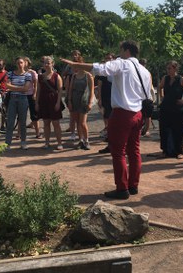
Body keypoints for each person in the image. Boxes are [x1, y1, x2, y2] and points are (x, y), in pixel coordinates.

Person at [60, 40, 152, 200]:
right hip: (138, 114)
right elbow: (146, 95)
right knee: (134, 151)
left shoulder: (122, 64)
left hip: (122, 114)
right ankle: (133, 186)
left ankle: (122, 188)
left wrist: (77, 64)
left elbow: (101, 69)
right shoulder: (144, 71)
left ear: (126, 51)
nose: (118, 53)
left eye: (120, 50)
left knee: (118, 152)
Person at [158, 61, 183, 159]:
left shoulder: (181, 79)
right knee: (164, 129)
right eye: (167, 68)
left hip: (177, 108)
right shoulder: (165, 78)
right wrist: (162, 97)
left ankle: (179, 151)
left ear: (175, 69)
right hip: (165, 107)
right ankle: (165, 150)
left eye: (170, 68)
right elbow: (160, 87)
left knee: (178, 130)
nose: (168, 70)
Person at [36, 56, 63, 150]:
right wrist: (37, 103)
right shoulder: (40, 77)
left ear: (52, 64)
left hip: (53, 100)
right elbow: (38, 91)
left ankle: (59, 143)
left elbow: (60, 91)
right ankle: (47, 142)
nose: (46, 65)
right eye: (45, 63)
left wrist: (58, 103)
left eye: (48, 63)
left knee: (56, 123)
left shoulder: (57, 76)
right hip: (43, 100)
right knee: (46, 122)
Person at [5, 57, 32, 150]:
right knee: (10, 122)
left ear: (24, 63)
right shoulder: (10, 74)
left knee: (23, 122)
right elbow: (7, 85)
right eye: (18, 63)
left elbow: (26, 88)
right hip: (12, 99)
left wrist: (13, 87)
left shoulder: (28, 75)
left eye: (21, 63)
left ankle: (23, 142)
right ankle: (7, 143)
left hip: (23, 99)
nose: (20, 65)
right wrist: (20, 88)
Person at [67, 57, 94, 150]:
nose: (74, 67)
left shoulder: (88, 76)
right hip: (74, 100)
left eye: (76, 64)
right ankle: (80, 140)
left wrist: (90, 102)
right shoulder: (74, 76)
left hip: (84, 100)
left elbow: (91, 91)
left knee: (82, 122)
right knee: (77, 121)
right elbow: (70, 89)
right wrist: (69, 101)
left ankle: (86, 140)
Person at [97, 53, 115, 154]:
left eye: (110, 58)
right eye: (106, 58)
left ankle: (112, 139)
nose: (108, 60)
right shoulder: (103, 71)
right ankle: (109, 136)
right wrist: (99, 98)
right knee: (107, 116)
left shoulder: (116, 70)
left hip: (115, 98)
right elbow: (99, 85)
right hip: (106, 96)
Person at [63, 50, 82, 140]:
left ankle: (80, 134)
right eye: (73, 54)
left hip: (80, 91)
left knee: (81, 115)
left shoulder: (82, 66)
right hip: (71, 88)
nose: (74, 56)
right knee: (72, 113)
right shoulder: (69, 66)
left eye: (76, 54)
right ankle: (73, 131)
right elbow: (64, 74)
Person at [23, 57, 41, 139]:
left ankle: (38, 133)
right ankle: (19, 134)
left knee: (34, 115)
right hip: (22, 95)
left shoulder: (32, 72)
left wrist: (35, 94)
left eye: (25, 61)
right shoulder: (20, 73)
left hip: (30, 94)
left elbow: (36, 85)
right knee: (21, 115)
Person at [139, 58, 154, 137]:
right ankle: (146, 130)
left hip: (142, 97)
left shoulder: (139, 72)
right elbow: (150, 86)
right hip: (148, 96)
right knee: (148, 116)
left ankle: (144, 130)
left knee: (143, 115)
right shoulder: (148, 72)